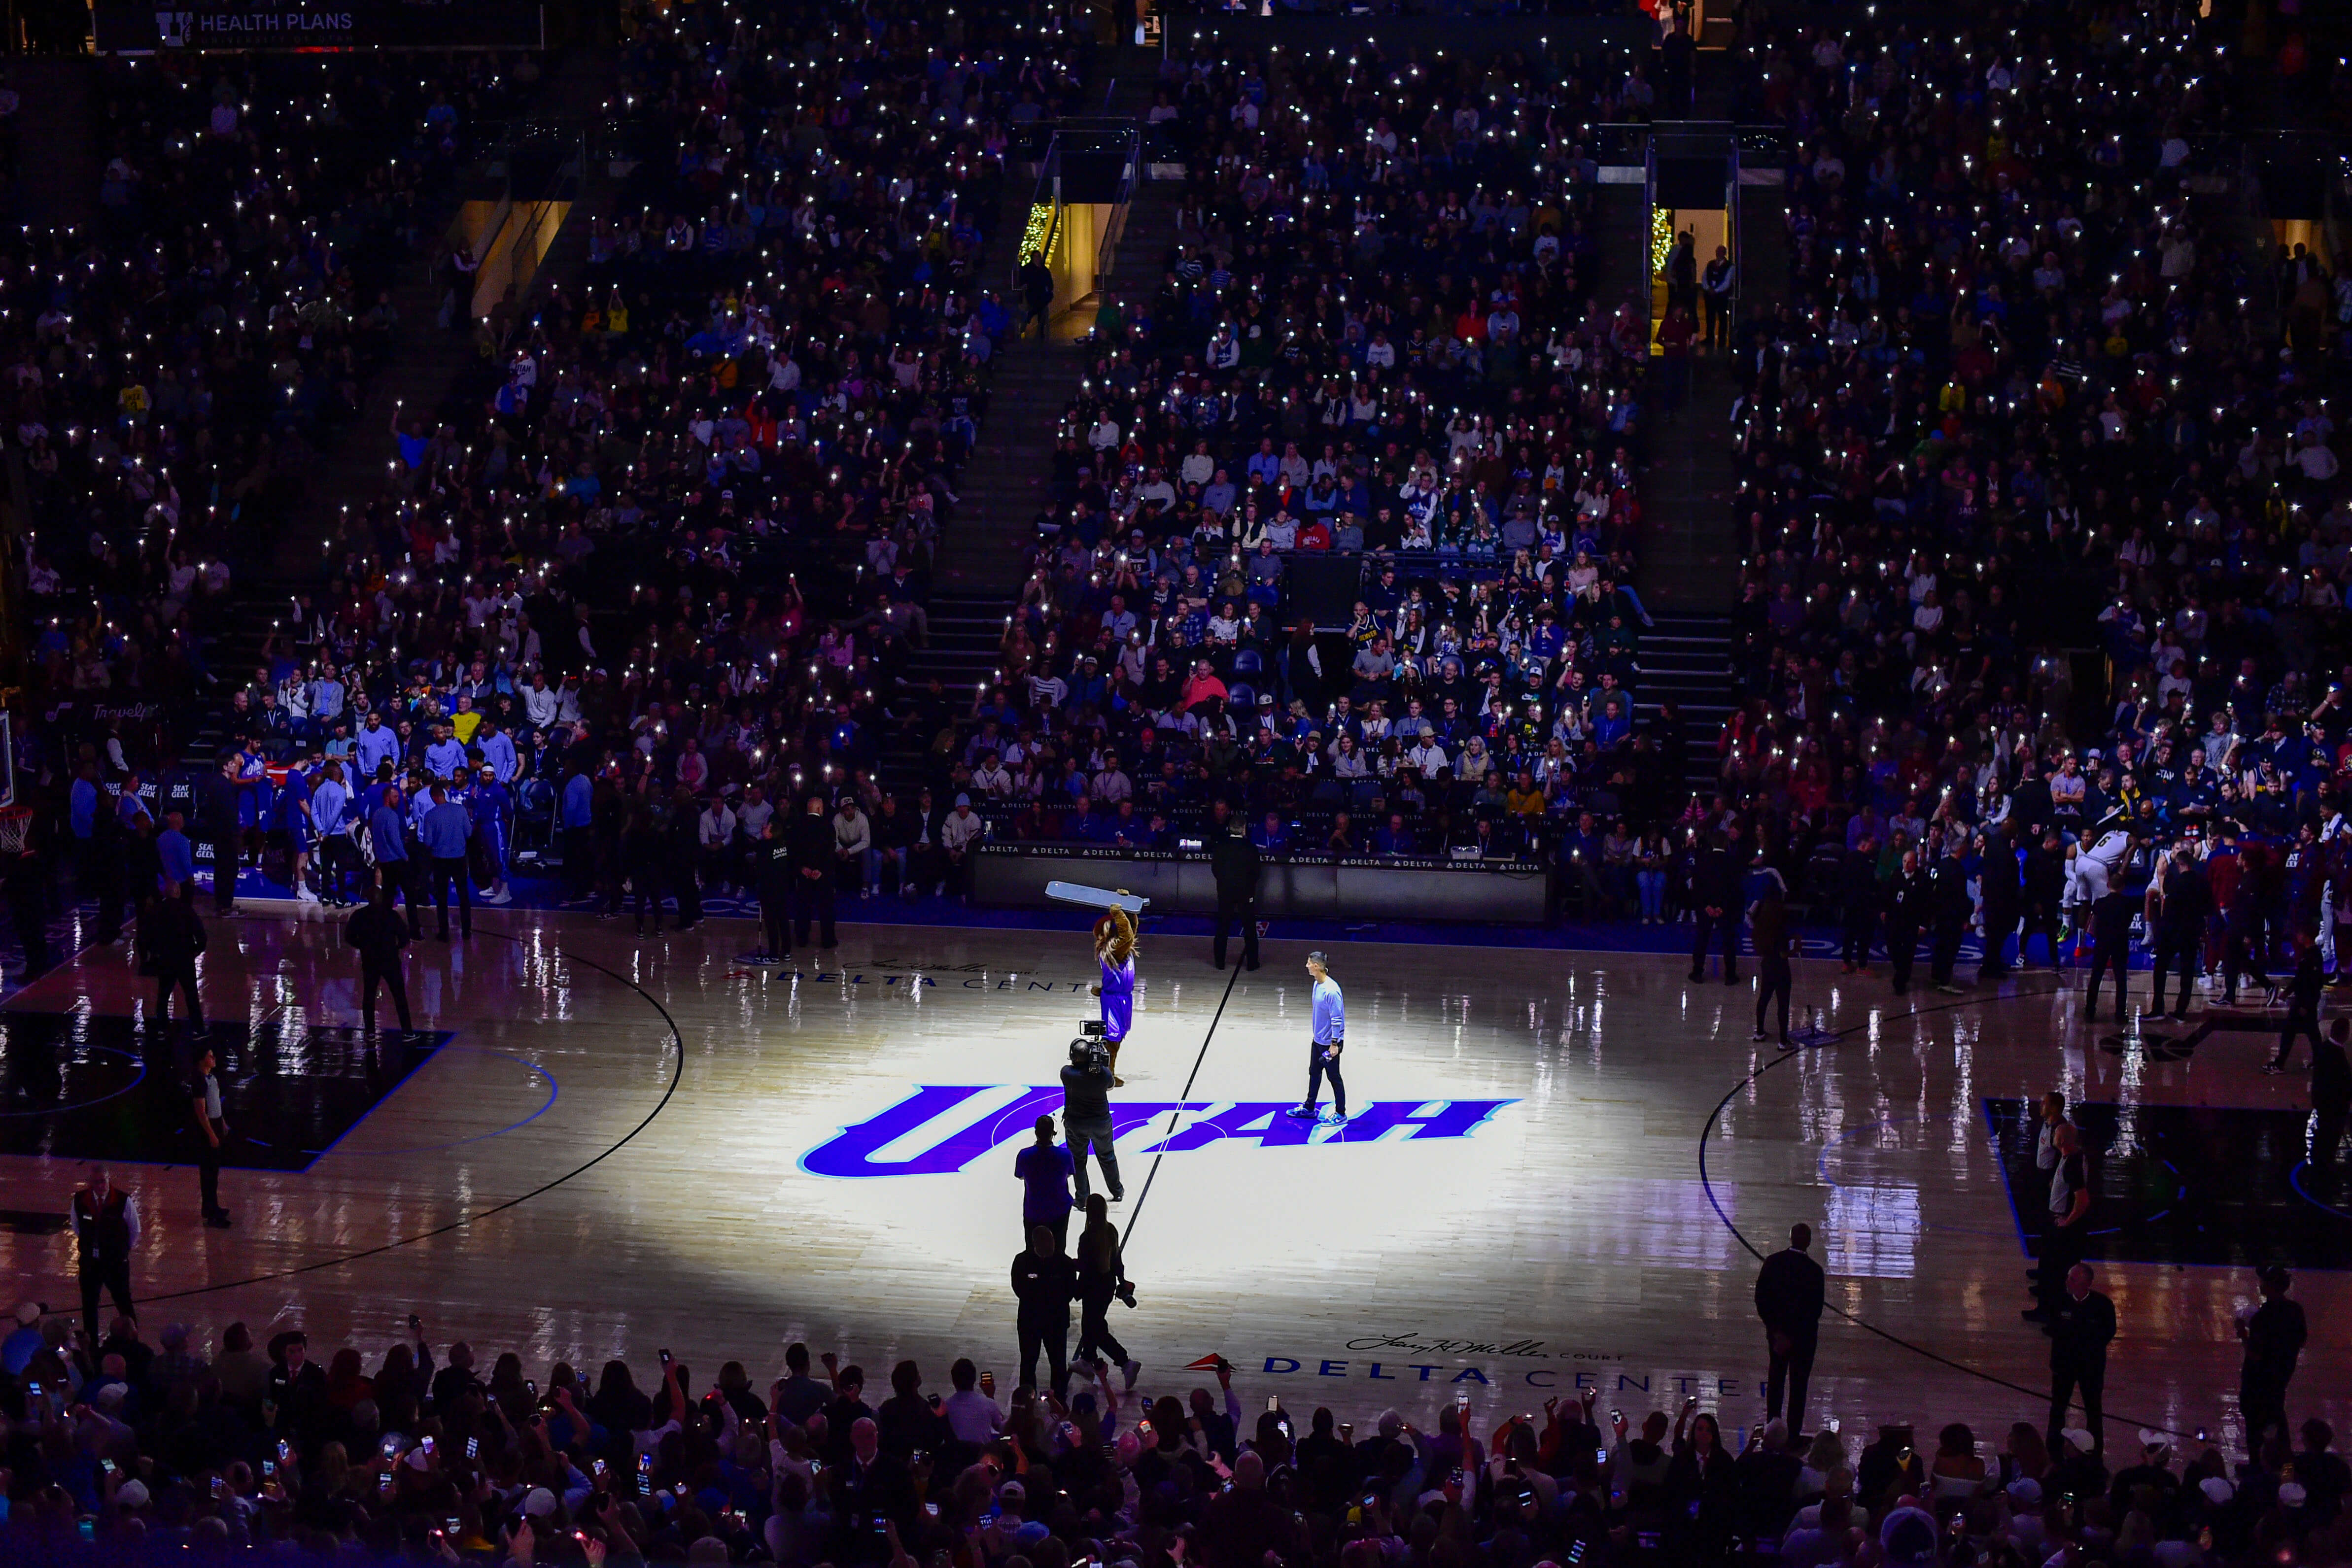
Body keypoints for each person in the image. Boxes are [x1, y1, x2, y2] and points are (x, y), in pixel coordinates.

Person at [1753, 1222, 1825, 1435]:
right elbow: (1815, 1310)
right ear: (1809, 1242)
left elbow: (1761, 1299)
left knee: (1776, 1382)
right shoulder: (1815, 1271)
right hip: (1804, 1341)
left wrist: (1776, 1332)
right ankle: (1793, 1434)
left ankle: (1772, 1430)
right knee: (1799, 1387)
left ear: (1790, 1237)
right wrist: (1797, 1336)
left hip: (1778, 1338)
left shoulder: (1774, 1263)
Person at [2046, 1262, 2114, 1456]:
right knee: (2058, 1409)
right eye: (2069, 1277)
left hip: (2090, 1369)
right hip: (2063, 1366)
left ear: (2087, 1284)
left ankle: (2095, 1455)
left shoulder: (2103, 1305)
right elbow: (2052, 1327)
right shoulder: (2059, 1301)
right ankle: (2053, 1452)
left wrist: (2084, 1345)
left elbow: (2108, 1332)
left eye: (2073, 1279)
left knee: (2094, 1411)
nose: (2068, 1282)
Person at [1073, 1193, 1140, 1390]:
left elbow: (1085, 1267)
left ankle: (1125, 1362)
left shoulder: (1087, 1238)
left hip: (1092, 1288)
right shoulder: (1111, 1231)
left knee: (1096, 1329)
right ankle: (1087, 1360)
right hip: (1107, 1286)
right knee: (1092, 1325)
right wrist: (1122, 1281)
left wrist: (1069, 1265)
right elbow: (1117, 1261)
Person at [2237, 1264, 2306, 1454]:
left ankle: (2257, 1471)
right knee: (2278, 1427)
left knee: (2254, 1430)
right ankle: (2286, 1471)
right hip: (2280, 1379)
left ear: (2269, 1286)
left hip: (2258, 1384)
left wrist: (2243, 1334)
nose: (2259, 1284)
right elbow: (2301, 1341)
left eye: (2262, 1281)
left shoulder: (2263, 1317)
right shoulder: (2295, 1311)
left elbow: (2255, 1354)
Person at [2028, 1122, 2091, 1322]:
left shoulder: (2072, 1163)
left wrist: (2067, 1222)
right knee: (2054, 1268)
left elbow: (2082, 1199)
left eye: (2055, 1135)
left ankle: (2047, 1312)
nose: (2053, 1136)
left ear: (2062, 1141)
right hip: (2063, 1223)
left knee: (2055, 1270)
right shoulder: (2075, 1157)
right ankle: (2050, 1308)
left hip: (2062, 1225)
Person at [71, 1163, 138, 1343]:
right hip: (90, 1263)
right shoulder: (79, 1200)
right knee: (89, 1304)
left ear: (109, 1179)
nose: (101, 1186)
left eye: (104, 1181)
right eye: (97, 1182)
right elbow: (77, 1227)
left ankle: (133, 1340)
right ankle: (92, 1343)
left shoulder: (124, 1201)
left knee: (123, 1301)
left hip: (115, 1263)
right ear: (90, 1184)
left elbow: (134, 1230)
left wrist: (121, 1251)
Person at [1010, 1224, 1077, 1397]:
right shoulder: (1022, 1261)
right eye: (1046, 1243)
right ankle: (1027, 1399)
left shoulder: (1065, 1263)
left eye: (1052, 1242)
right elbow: (1018, 1288)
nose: (1051, 1246)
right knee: (1028, 1363)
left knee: (1058, 1364)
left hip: (1056, 1321)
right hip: (1030, 1321)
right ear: (1035, 1244)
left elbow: (1071, 1291)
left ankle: (1059, 1400)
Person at [2148, 844, 2209, 1020]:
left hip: (2172, 931)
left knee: (2160, 968)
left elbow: (2168, 906)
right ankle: (2181, 1011)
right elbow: (2207, 906)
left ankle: (2158, 1008)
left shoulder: (2173, 880)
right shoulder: (2202, 881)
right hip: (2192, 931)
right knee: (2187, 970)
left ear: (2179, 864)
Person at [1059, 1038, 1122, 1205]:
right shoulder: (1104, 1074)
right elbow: (1111, 1086)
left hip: (1076, 1124)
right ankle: (1117, 1191)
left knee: (1078, 1162)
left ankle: (1082, 1198)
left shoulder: (1066, 1073)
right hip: (1100, 1123)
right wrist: (1101, 1066)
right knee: (1107, 1156)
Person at [345, 884, 414, 1033]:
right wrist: (396, 948)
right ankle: (408, 1032)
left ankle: (370, 1033)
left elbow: (349, 937)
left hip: (370, 961)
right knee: (400, 997)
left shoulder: (359, 915)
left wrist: (362, 946)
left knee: (369, 996)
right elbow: (404, 938)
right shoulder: (392, 915)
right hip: (390, 960)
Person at [1287, 951, 1347, 1123]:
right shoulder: (1317, 985)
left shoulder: (1332, 992)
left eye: (1309, 963)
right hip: (1318, 1041)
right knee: (1314, 1072)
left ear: (1316, 966)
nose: (1306, 966)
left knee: (1334, 1077)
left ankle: (1341, 1113)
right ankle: (1309, 1107)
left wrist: (1334, 1045)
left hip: (1330, 1044)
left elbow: (1337, 1020)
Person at [142, 890, 208, 1034]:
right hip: (185, 958)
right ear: (178, 892)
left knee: (163, 995)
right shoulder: (186, 909)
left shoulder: (157, 910)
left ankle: (161, 1029)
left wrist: (153, 954)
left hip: (165, 958)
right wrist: (197, 950)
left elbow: (147, 934)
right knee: (191, 994)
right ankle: (198, 1029)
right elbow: (201, 934)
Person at [418, 783, 473, 941]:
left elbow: (427, 842)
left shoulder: (430, 815)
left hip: (440, 860)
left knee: (442, 898)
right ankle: (466, 931)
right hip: (459, 859)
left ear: (434, 797)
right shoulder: (460, 810)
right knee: (464, 895)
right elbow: (469, 833)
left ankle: (444, 933)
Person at [1012, 1114, 1074, 1250]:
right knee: (1059, 1247)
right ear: (1053, 1133)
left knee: (1032, 1248)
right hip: (1060, 1210)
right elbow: (1069, 1174)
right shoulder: (1065, 1155)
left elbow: (1020, 1175)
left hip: (1034, 1210)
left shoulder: (1025, 1155)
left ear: (1036, 1133)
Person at [189, 1045, 232, 1228]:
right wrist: (211, 1134)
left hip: (216, 1124)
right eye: (210, 1056)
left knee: (214, 1172)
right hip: (207, 1129)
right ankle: (210, 1212)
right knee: (208, 1172)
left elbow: (215, 1104)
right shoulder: (199, 1080)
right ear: (202, 1060)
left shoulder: (212, 1078)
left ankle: (213, 1207)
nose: (214, 1058)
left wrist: (222, 1122)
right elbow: (201, 1112)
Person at [1211, 816, 1262, 970]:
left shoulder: (1221, 847)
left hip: (1225, 892)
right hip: (1246, 893)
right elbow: (1257, 872)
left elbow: (1215, 869)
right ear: (1244, 829)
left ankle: (1220, 963)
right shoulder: (1251, 848)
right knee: (1249, 928)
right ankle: (1252, 963)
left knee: (1223, 928)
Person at [1092, 906, 1137, 1084]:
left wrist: (1129, 908)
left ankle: (1108, 1072)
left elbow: (1131, 931)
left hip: (1123, 997)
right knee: (1112, 1039)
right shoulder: (1115, 949)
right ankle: (1107, 1075)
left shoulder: (1121, 949)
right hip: (1115, 999)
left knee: (1118, 1037)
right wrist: (1118, 913)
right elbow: (1128, 935)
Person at [1750, 875, 1796, 1045]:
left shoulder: (1761, 916)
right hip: (1781, 966)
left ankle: (1760, 1032)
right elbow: (1784, 952)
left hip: (1767, 962)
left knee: (1764, 998)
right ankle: (1784, 1041)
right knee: (1783, 1003)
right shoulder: (1780, 918)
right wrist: (1795, 949)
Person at [789, 794, 838, 950]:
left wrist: (802, 868)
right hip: (822, 875)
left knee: (803, 906)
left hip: (804, 874)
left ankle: (802, 939)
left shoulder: (798, 825)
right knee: (826, 907)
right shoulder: (828, 826)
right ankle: (828, 940)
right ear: (819, 808)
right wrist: (821, 870)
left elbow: (793, 851)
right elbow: (830, 852)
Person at [1689, 833, 1740, 984]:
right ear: (1726, 844)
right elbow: (1734, 889)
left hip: (1707, 907)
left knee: (1702, 938)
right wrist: (1723, 907)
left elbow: (1697, 886)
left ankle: (1697, 972)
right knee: (1728, 940)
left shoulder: (1703, 861)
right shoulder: (1732, 862)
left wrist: (1706, 906)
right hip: (1725, 908)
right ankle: (1730, 975)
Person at [2270, 937, 2325, 1072]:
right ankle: (2320, 1062)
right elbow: (2300, 978)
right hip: (2304, 1000)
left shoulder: (2313, 956)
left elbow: (2314, 982)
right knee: (2312, 1032)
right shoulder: (2308, 954)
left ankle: (2279, 1064)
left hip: (2305, 1001)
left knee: (2290, 1031)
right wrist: (2288, 992)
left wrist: (2305, 1004)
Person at [2085, 879, 2135, 1025]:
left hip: (2102, 943)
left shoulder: (2099, 903)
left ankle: (2089, 1011)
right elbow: (2129, 921)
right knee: (2121, 979)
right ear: (2123, 886)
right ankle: (2120, 1014)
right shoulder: (2128, 903)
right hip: (2120, 943)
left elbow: (2093, 924)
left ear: (2108, 885)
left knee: (2096, 977)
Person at [1883, 849, 1927, 996]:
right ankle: (1902, 970)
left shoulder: (1923, 879)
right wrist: (1884, 910)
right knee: (1893, 948)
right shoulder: (1897, 874)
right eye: (1905, 862)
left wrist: (1923, 924)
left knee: (1908, 952)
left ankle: (1900, 982)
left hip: (1912, 922)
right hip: (1895, 920)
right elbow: (1888, 893)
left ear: (1915, 863)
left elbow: (1927, 904)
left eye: (1910, 862)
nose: (1907, 865)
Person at [755, 816, 794, 964]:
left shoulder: (764, 846)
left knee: (771, 922)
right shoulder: (784, 846)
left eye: (767, 827)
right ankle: (786, 951)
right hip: (782, 889)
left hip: (769, 890)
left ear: (771, 833)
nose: (764, 826)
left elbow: (760, 869)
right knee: (783, 920)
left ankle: (773, 955)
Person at [2314, 1020, 2352, 1167]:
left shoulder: (2325, 1049)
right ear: (2346, 1034)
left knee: (2323, 1140)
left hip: (2325, 1105)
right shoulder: (2337, 1056)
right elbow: (2341, 1085)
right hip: (2334, 1108)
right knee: (2328, 1144)